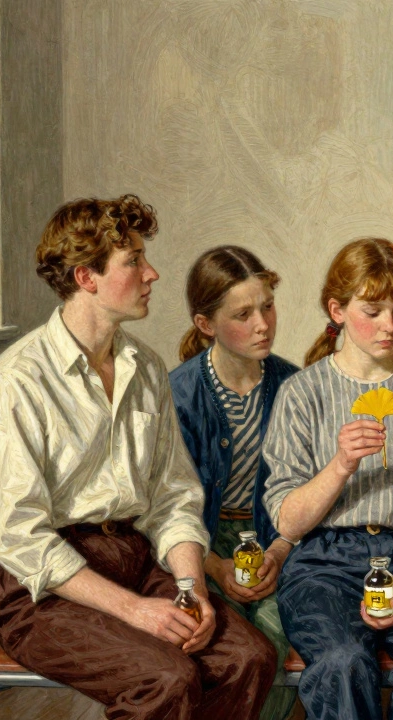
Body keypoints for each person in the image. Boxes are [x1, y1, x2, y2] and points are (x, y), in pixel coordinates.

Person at [0, 195, 275, 720]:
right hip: (44, 593)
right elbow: (21, 538)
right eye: (133, 261)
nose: (151, 273)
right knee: (166, 678)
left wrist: (190, 586)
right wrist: (135, 611)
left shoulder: (144, 367)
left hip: (137, 561)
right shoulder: (15, 383)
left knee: (248, 657)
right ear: (86, 277)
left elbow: (173, 494)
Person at [262, 238, 393, 720]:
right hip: (321, 562)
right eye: (373, 310)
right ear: (337, 310)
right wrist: (340, 465)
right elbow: (289, 521)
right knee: (340, 663)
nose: (389, 325)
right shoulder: (302, 393)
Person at [169, 246, 300, 720]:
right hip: (195, 545)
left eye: (267, 306)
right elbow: (163, 509)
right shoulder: (178, 394)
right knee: (227, 646)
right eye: (243, 314)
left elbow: (305, 494)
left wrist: (280, 548)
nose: (263, 323)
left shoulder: (294, 386)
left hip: (274, 541)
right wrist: (216, 567)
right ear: (206, 324)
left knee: (279, 630)